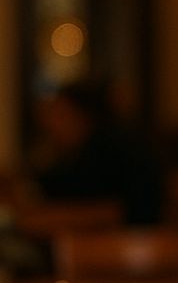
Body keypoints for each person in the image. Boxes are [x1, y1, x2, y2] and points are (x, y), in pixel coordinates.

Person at [33, 79, 164, 225]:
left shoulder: (113, 147)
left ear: (83, 116)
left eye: (60, 115)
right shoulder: (77, 151)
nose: (49, 125)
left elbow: (119, 212)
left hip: (130, 242)